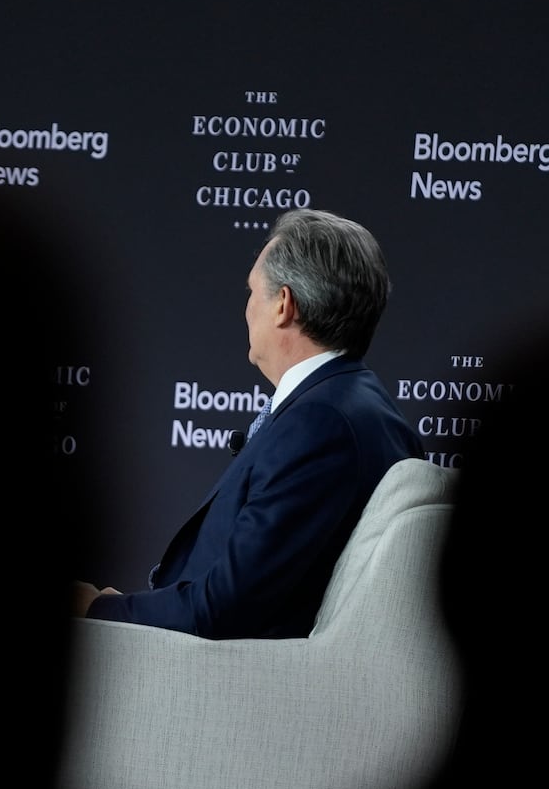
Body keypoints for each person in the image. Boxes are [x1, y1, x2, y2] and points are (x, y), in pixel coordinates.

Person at [73, 207, 422, 638]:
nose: (245, 310)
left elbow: (225, 607)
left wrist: (101, 609)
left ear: (283, 305)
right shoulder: (362, 407)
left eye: (252, 293)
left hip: (224, 678)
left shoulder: (320, 423)